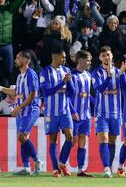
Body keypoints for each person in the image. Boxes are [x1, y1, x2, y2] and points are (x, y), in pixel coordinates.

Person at [0, 50, 42, 175]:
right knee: (22, 138)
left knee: (21, 136)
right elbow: (15, 92)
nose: (15, 60)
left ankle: (37, 161)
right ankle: (26, 168)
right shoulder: (19, 76)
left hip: (30, 110)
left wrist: (19, 107)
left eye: (18, 58)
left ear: (26, 61)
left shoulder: (31, 74)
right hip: (22, 111)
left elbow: (33, 94)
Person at [39, 48, 74, 177]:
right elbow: (47, 92)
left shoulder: (66, 70)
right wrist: (63, 82)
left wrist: (69, 83)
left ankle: (62, 163)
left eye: (65, 57)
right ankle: (55, 169)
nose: (64, 59)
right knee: (53, 140)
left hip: (65, 110)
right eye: (62, 57)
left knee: (70, 137)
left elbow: (72, 92)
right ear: (54, 56)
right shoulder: (45, 72)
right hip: (51, 112)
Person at [91, 46, 125, 177]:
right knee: (104, 139)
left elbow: (125, 88)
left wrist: (121, 76)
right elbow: (99, 89)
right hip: (101, 113)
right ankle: (106, 168)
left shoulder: (118, 71)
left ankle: (109, 168)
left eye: (108, 55)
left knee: (112, 140)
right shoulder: (96, 73)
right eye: (103, 55)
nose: (106, 57)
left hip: (116, 113)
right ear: (100, 58)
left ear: (112, 57)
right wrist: (109, 77)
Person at [70, 50, 94, 177]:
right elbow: (68, 96)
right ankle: (61, 164)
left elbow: (88, 95)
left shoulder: (88, 75)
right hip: (75, 115)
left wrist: (97, 106)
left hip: (86, 115)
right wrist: (73, 111)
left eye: (90, 60)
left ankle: (80, 170)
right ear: (80, 60)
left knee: (83, 141)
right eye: (88, 60)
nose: (90, 62)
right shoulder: (72, 75)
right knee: (72, 140)